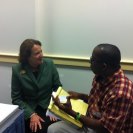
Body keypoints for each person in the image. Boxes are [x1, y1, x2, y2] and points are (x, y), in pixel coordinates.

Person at [47, 43, 133, 133]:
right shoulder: (101, 76)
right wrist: (80, 96)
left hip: (103, 129)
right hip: (91, 121)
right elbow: (100, 102)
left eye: (93, 60)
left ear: (104, 66)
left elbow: (105, 128)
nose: (90, 61)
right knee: (53, 129)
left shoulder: (120, 93)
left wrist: (71, 112)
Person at [11, 39, 62, 133]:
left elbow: (57, 88)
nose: (41, 55)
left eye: (41, 51)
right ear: (27, 57)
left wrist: (53, 109)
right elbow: (16, 98)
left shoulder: (49, 64)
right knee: (37, 129)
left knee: (58, 127)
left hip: (48, 106)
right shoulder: (17, 70)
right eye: (37, 53)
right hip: (29, 109)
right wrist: (31, 115)